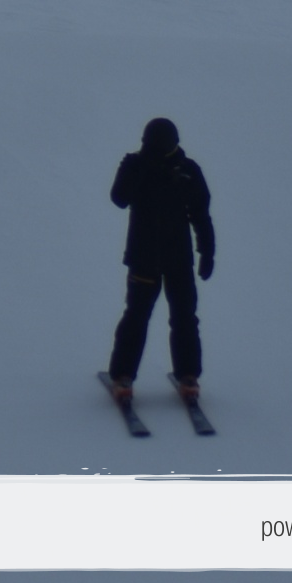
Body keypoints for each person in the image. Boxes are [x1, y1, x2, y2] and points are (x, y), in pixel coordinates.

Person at [105, 118, 215, 403]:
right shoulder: (134, 164)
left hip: (178, 259)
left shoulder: (187, 170)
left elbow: (201, 214)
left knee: (184, 317)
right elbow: (119, 198)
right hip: (143, 257)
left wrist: (207, 252)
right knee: (137, 316)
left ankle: (188, 376)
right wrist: (142, 170)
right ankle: (123, 376)